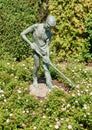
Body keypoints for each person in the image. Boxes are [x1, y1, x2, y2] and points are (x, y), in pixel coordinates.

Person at [20, 15, 56, 89]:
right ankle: (35, 78)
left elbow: (47, 46)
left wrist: (48, 57)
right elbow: (22, 34)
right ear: (46, 22)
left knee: (47, 68)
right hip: (36, 50)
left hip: (43, 52)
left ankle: (49, 84)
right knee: (37, 66)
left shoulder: (49, 34)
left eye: (51, 27)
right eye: (49, 26)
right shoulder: (36, 26)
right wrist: (31, 43)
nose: (49, 28)